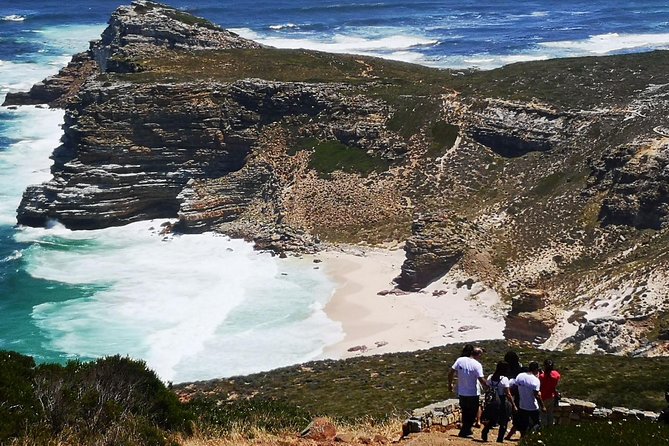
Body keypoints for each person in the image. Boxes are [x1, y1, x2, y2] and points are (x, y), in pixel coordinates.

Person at [448, 345, 488, 438]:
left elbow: (450, 373)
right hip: (473, 393)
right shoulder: (477, 364)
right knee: (472, 413)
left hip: (462, 392)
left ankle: (466, 430)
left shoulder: (460, 360)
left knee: (465, 412)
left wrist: (450, 384)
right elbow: (481, 379)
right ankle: (465, 431)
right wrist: (488, 386)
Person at [481, 361, 517, 443]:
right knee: (504, 421)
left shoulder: (491, 377)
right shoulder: (504, 379)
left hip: (493, 402)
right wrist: (513, 405)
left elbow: (487, 387)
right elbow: (508, 394)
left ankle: (485, 431)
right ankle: (500, 439)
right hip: (502, 401)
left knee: (493, 419)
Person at [512, 361, 546, 437]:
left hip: (522, 405)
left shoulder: (520, 376)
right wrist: (543, 406)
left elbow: (515, 388)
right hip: (533, 407)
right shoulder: (536, 380)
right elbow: (537, 395)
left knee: (524, 424)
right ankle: (532, 437)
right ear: (536, 369)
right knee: (536, 423)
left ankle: (523, 437)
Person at [503, 351, 524, 441]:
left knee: (512, 415)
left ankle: (508, 433)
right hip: (517, 393)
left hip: (508, 392)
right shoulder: (519, 367)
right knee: (518, 415)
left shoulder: (506, 368)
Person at [539, 359, 561, 427]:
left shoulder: (541, 376)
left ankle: (544, 430)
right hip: (551, 396)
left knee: (543, 415)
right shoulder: (556, 374)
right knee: (550, 414)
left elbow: (541, 385)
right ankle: (550, 429)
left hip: (543, 397)